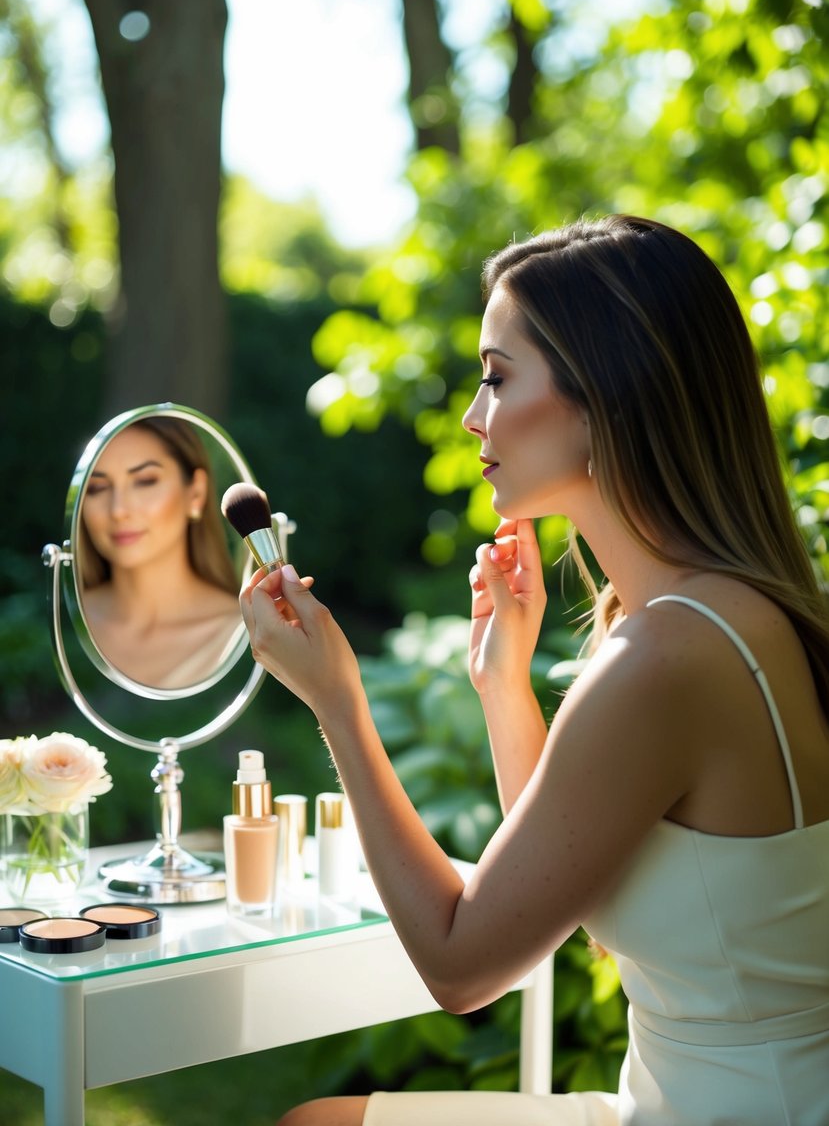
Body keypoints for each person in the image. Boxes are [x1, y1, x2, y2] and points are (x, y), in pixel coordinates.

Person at [240, 215, 829, 1126]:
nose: (474, 414)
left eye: (496, 377)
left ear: (607, 394)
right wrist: (501, 685)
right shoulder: (705, 619)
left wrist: (337, 703)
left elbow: (460, 965)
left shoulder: (668, 656)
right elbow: (570, 896)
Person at [81, 416, 243, 690]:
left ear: (196, 493)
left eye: (145, 481)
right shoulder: (56, 622)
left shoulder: (247, 633)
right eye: (97, 487)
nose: (118, 510)